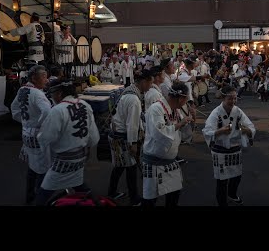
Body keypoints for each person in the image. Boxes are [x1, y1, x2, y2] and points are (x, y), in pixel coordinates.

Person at [35, 80, 100, 206]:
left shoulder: (58, 110)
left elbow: (45, 137)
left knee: (46, 189)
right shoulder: (85, 105)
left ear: (59, 94)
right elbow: (93, 137)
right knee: (77, 182)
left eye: (53, 94)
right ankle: (95, 201)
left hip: (64, 160)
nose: (52, 97)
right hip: (80, 157)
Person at [202, 85, 256, 206]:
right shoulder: (216, 112)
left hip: (235, 149)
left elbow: (250, 126)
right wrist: (220, 131)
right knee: (222, 180)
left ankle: (232, 194)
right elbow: (207, 131)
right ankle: (222, 202)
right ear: (223, 98)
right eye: (230, 98)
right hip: (220, 150)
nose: (233, 101)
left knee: (236, 175)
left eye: (235, 98)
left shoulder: (237, 111)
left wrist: (247, 130)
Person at [142, 82, 193, 207]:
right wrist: (180, 124)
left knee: (174, 193)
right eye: (185, 100)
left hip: (169, 160)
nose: (185, 103)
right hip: (154, 161)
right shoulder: (156, 109)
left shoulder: (175, 110)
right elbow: (159, 133)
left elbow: (181, 131)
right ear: (181, 98)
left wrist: (188, 122)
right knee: (150, 199)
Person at [108, 69, 154, 206]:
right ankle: (134, 198)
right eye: (150, 83)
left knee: (119, 166)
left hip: (117, 133)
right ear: (144, 82)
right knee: (131, 167)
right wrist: (133, 143)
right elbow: (132, 125)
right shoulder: (134, 98)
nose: (150, 86)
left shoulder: (129, 90)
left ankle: (112, 192)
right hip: (123, 136)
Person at [10, 65, 52, 204]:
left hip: (26, 133)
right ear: (34, 78)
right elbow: (47, 112)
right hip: (37, 135)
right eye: (44, 77)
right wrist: (40, 125)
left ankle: (30, 197)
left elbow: (14, 108)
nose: (46, 80)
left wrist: (24, 122)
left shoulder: (23, 89)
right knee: (42, 169)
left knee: (32, 167)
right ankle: (39, 200)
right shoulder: (38, 94)